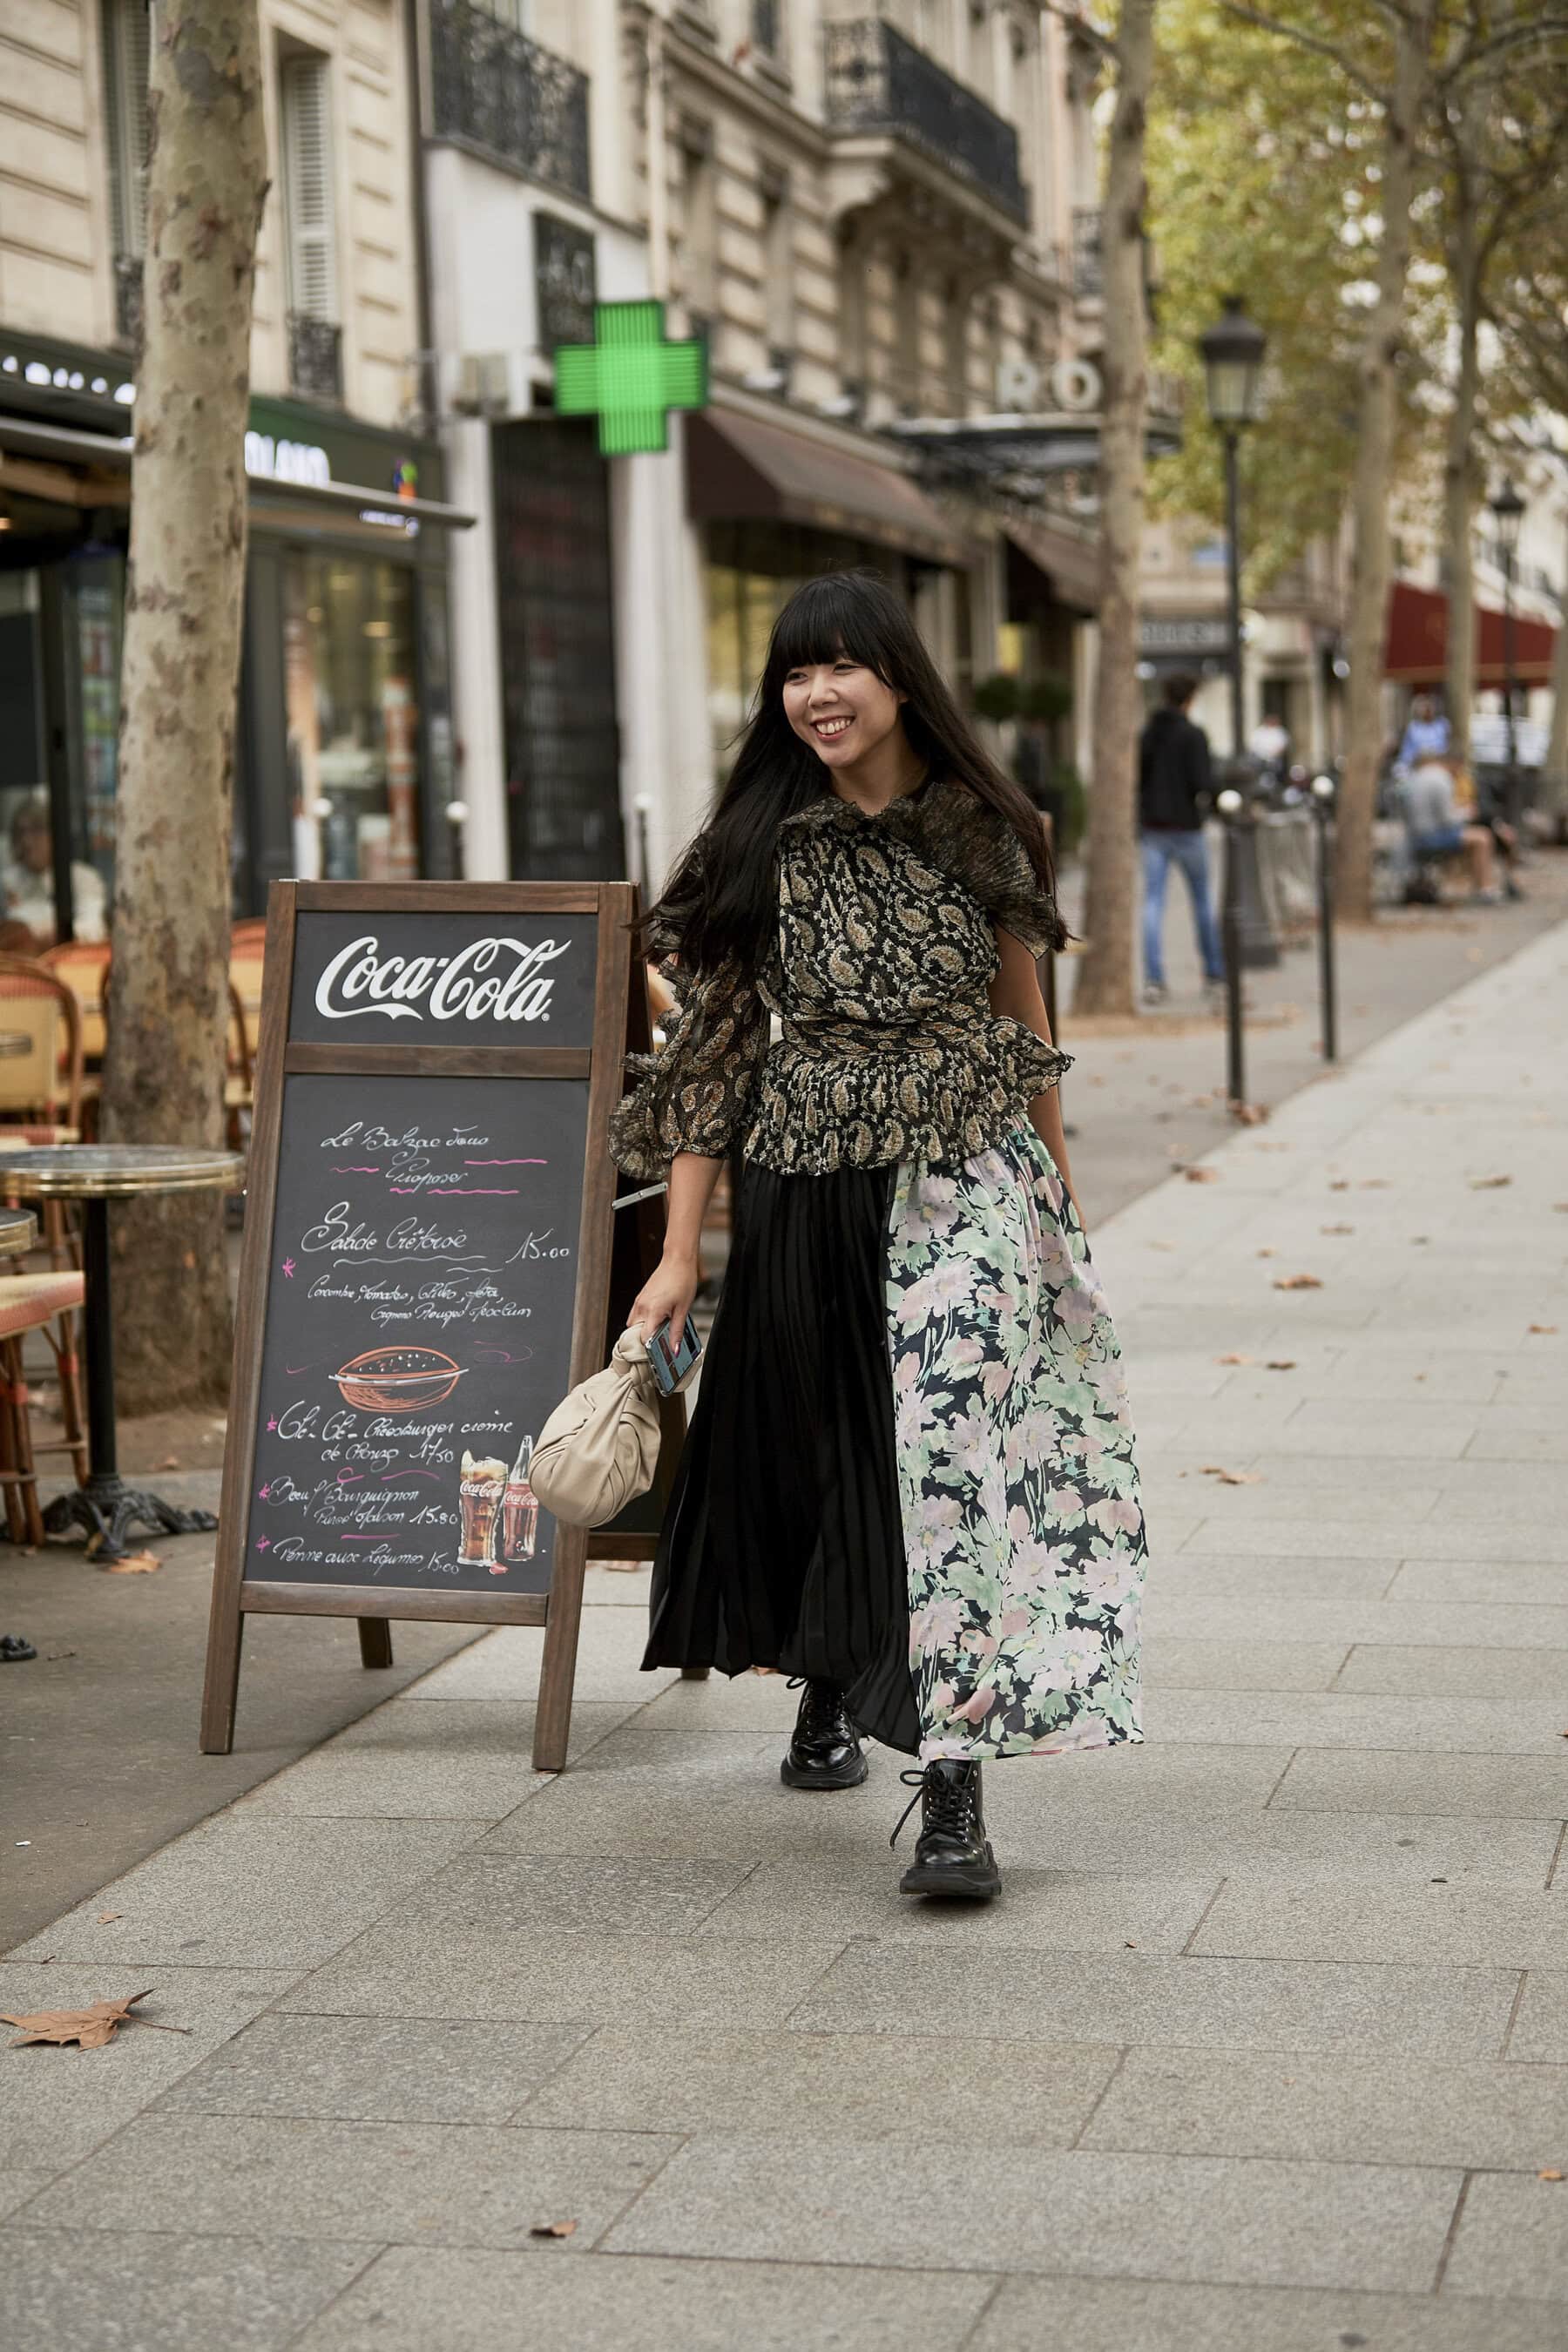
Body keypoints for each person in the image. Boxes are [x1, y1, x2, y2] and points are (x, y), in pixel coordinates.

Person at [610, 571, 1146, 1903]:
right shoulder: (754, 841)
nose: (818, 693)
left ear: (901, 678)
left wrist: (1060, 1205)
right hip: (799, 1183)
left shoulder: (981, 831)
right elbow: (713, 1062)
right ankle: (831, 1676)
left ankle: (954, 1790)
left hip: (962, 1172)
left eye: (843, 665)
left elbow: (1026, 1031)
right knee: (826, 1444)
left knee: (949, 1454)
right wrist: (678, 1259)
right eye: (796, 672)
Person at [1138, 674, 1224, 1005]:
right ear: (1190, 699)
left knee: (1153, 904)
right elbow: (1203, 781)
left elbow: (1140, 778)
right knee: (1202, 901)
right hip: (1186, 828)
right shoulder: (1193, 735)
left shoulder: (1149, 733)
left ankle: (1154, 980)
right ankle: (1214, 974)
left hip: (1154, 828)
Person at [0, 794, 107, 947]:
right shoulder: (6, 881)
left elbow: (95, 930)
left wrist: (38, 932)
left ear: (56, 833)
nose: (27, 841)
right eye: (21, 832)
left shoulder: (83, 878)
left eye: (37, 830)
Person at [1396, 755, 1500, 901]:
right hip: (1430, 838)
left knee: (1474, 836)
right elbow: (1447, 819)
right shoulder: (1442, 779)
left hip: (1414, 837)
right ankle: (1486, 890)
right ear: (1456, 764)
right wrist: (1467, 813)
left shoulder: (1417, 776)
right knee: (1483, 838)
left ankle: (1478, 887)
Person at [1396, 693, 1450, 771]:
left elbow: (1446, 747)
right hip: (1417, 767)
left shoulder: (1442, 725)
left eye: (1430, 706)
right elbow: (1406, 753)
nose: (1427, 710)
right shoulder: (1413, 728)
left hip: (1438, 766)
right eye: (1424, 706)